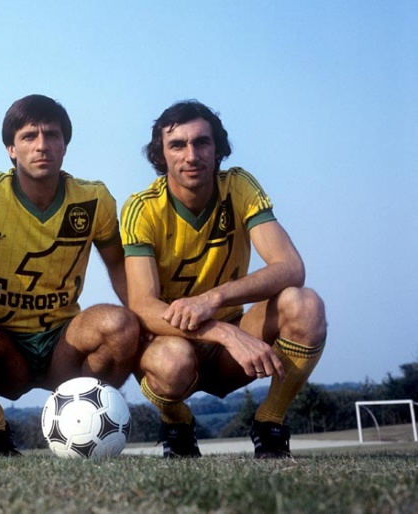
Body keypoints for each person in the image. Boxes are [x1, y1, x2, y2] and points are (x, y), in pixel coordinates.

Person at [0, 94, 140, 456]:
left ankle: (88, 421)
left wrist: (144, 318)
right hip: (3, 342)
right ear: (11, 149)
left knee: (122, 325)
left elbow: (117, 264)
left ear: (65, 145)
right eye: (29, 136)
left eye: (52, 135)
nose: (42, 145)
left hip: (63, 343)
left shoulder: (93, 199)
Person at [121, 100, 327, 459]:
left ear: (217, 148)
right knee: (171, 361)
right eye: (177, 145)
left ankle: (270, 424)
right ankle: (177, 423)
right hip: (176, 344)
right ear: (161, 155)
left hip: (233, 352)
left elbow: (291, 267)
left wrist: (213, 299)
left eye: (202, 142)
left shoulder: (239, 186)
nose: (191, 155)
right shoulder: (142, 208)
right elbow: (141, 305)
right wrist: (223, 332)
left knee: (305, 304)